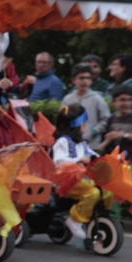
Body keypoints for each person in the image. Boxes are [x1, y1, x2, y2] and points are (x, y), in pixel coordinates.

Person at [51, 103, 99, 242]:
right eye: (85, 123)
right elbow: (59, 161)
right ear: (77, 126)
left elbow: (92, 154)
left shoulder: (81, 143)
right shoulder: (63, 142)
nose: (87, 126)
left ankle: (97, 215)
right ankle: (75, 219)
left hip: (80, 179)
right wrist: (80, 160)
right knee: (92, 193)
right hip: (66, 182)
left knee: (106, 189)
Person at [101, 90, 132, 181]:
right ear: (114, 102)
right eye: (122, 100)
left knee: (128, 186)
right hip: (115, 159)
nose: (126, 103)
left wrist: (122, 135)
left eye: (129, 100)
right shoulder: (111, 118)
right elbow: (107, 138)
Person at [62, 62, 110, 149]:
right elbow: (63, 120)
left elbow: (106, 119)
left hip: (92, 145)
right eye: (81, 78)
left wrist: (94, 131)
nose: (85, 81)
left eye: (88, 78)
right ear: (74, 80)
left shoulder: (97, 98)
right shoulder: (67, 99)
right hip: (72, 145)